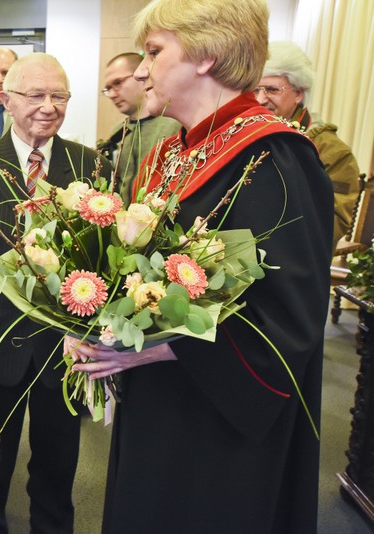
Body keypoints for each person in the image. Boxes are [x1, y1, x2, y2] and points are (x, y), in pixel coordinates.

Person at [66, 1, 334, 533]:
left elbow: (287, 321)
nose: (142, 70)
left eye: (154, 51)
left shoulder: (271, 157)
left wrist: (158, 349)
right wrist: (94, 323)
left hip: (217, 426)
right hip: (160, 405)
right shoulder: (171, 152)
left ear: (206, 56)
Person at [0, 52, 111, 534]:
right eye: (35, 95)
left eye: (59, 96)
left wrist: (94, 335)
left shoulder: (89, 163)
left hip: (66, 346)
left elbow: (104, 258)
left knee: (59, 464)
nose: (48, 106)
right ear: (5, 99)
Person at [256, 41, 361, 250]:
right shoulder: (247, 134)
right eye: (255, 90)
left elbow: (328, 226)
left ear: (299, 93)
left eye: (272, 90)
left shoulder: (334, 153)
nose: (260, 99)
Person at [98, 52, 180, 204]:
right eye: (108, 88)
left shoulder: (174, 125)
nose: (112, 94)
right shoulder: (117, 132)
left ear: (140, 75)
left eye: (118, 83)